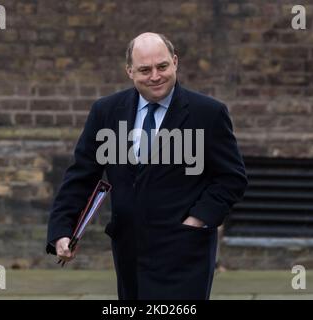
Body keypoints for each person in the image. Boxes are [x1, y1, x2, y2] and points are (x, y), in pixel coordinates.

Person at [46, 32, 248, 300]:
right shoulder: (106, 112)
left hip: (186, 250)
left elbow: (231, 178)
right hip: (129, 250)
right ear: (130, 71)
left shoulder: (208, 113)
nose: (155, 76)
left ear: (175, 62)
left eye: (162, 66)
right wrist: (62, 230)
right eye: (145, 69)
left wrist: (197, 221)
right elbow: (81, 176)